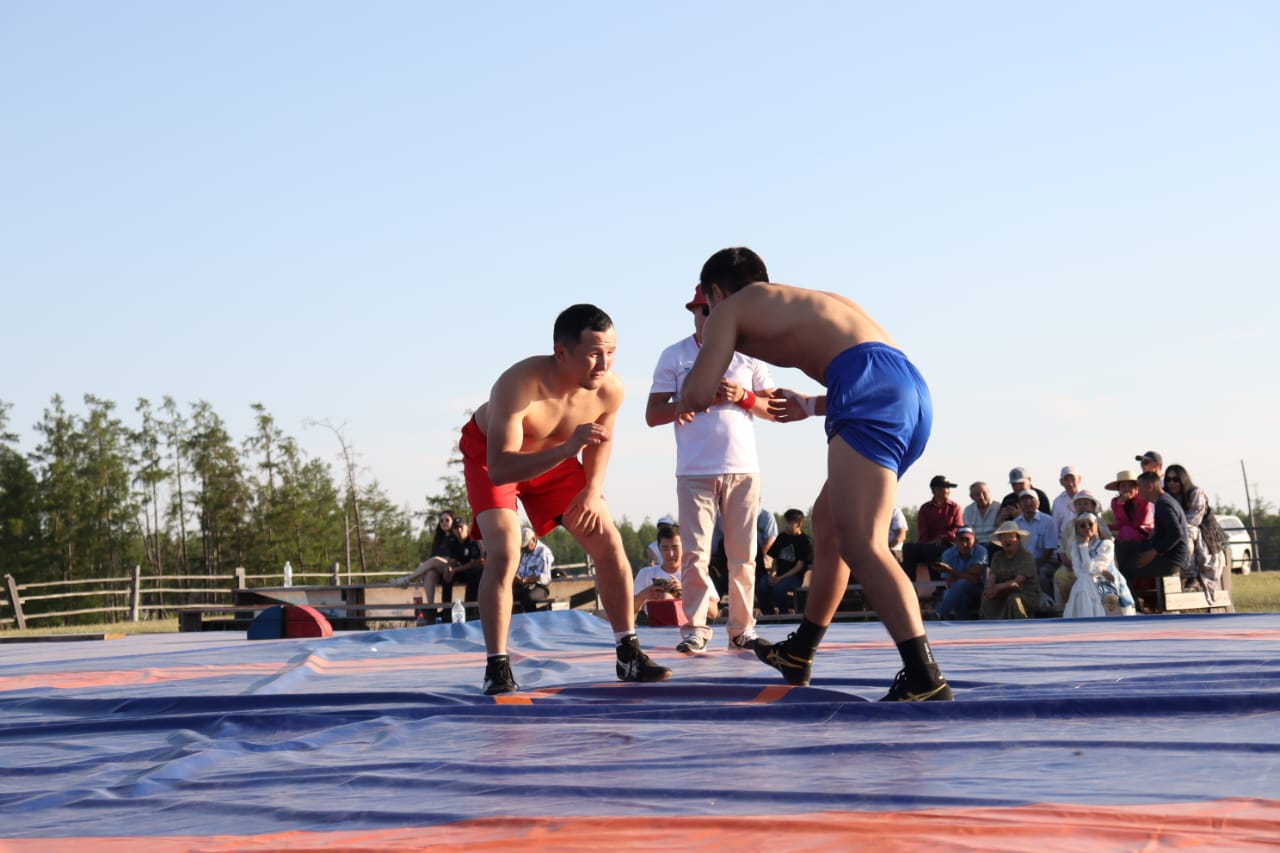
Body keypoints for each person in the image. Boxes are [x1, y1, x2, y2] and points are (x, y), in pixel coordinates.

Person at [677, 246, 952, 701]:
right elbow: (870, 366)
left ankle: (925, 676)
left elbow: (696, 395)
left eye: (703, 309)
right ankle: (801, 650)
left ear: (717, 293)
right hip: (903, 390)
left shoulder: (730, 310)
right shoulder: (815, 299)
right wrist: (811, 405)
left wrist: (693, 370)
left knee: (864, 544)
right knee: (828, 525)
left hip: (869, 392)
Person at [460, 303, 669, 695]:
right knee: (505, 551)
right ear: (562, 353)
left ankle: (629, 652)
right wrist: (567, 448)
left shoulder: (611, 388)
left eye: (611, 353)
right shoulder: (519, 385)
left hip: (557, 459)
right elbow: (503, 468)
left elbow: (599, 444)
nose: (603, 363)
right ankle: (497, 665)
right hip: (495, 458)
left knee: (609, 542)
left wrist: (591, 491)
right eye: (593, 354)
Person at [647, 286, 778, 655]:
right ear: (693, 313)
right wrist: (684, 404)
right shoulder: (675, 355)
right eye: (702, 311)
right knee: (695, 553)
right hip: (694, 470)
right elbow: (652, 413)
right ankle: (696, 627)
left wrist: (743, 397)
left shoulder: (749, 356)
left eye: (714, 310)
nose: (707, 317)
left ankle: (741, 629)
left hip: (743, 468)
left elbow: (774, 408)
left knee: (743, 555)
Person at [1119, 471, 1193, 595]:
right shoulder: (1163, 501)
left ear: (1150, 487)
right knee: (1123, 547)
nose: (1138, 491)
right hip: (1167, 554)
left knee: (1124, 569)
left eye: (1140, 487)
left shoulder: (1164, 505)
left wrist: (1153, 552)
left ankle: (1133, 608)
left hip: (1172, 560)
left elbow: (1176, 533)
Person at [1164, 464, 1228, 593]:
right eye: (1168, 480)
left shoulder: (1195, 493)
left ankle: (1191, 575)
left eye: (1175, 479)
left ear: (1183, 479)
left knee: (1186, 532)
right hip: (1180, 531)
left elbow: (1194, 519)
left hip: (1204, 533)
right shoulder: (1166, 497)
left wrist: (1173, 529)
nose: (1171, 483)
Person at [633, 526, 720, 620]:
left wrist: (687, 592)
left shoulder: (697, 574)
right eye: (665, 548)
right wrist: (644, 594)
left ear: (684, 547)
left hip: (690, 629)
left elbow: (713, 612)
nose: (670, 554)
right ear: (659, 548)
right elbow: (629, 609)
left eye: (675, 548)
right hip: (654, 629)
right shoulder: (645, 574)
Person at [1062, 513, 1136, 618]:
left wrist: (1084, 548)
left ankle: (1092, 615)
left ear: (1097, 526)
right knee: (1083, 579)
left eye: (1090, 524)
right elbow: (1078, 571)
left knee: (1087, 582)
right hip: (1087, 581)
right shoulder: (1075, 546)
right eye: (1082, 525)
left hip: (1105, 582)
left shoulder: (1106, 544)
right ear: (1077, 529)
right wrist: (1083, 546)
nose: (1087, 527)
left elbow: (1094, 569)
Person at [902, 475, 963, 589]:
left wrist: (941, 538)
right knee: (908, 548)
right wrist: (926, 542)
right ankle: (909, 587)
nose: (948, 491)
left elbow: (957, 529)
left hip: (947, 545)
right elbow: (922, 530)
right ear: (936, 489)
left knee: (931, 550)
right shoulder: (925, 508)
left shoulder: (955, 508)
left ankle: (938, 588)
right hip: (928, 544)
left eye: (949, 488)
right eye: (946, 487)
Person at [396, 511, 460, 606]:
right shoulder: (439, 539)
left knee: (435, 560)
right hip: (439, 569)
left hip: (454, 568)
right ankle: (430, 607)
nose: (444, 523)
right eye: (441, 520)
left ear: (453, 521)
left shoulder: (457, 536)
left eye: (447, 520)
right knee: (430, 573)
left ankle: (407, 580)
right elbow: (432, 558)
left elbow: (456, 557)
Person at [980, 521, 1040, 620]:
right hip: (1002, 593)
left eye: (1011, 536)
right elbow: (992, 577)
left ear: (1018, 540)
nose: (1007, 540)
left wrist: (997, 587)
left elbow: (1018, 581)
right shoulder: (997, 556)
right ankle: (988, 628)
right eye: (1003, 537)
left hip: (1026, 594)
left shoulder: (1027, 556)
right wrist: (990, 588)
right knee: (987, 598)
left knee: (1013, 599)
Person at [761, 509, 813, 615]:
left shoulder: (805, 541)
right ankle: (769, 615)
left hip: (796, 577)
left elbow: (799, 566)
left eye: (789, 523)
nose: (786, 525)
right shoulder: (782, 537)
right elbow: (775, 560)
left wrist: (780, 578)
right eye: (786, 522)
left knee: (779, 589)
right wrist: (773, 573)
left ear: (799, 524)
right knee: (762, 585)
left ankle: (784, 614)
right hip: (779, 575)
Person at [933, 527, 989, 620]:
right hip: (957, 590)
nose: (964, 544)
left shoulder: (981, 551)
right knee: (959, 594)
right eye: (961, 540)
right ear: (955, 541)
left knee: (961, 584)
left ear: (975, 541)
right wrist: (968, 574)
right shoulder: (948, 554)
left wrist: (950, 570)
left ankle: (939, 614)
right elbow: (950, 582)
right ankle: (961, 624)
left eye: (967, 540)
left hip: (978, 591)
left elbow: (975, 579)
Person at [1012, 489, 1059, 602]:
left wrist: (1036, 565)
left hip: (1046, 562)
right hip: (1024, 562)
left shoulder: (1048, 521)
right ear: (1019, 504)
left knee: (1040, 573)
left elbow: (1050, 548)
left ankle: (1048, 603)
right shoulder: (1016, 523)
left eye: (1031, 499)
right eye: (1024, 500)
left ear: (1038, 503)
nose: (1028, 502)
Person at [442, 517, 485, 621]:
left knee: (473, 574)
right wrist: (449, 569)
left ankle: (470, 609)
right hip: (462, 570)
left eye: (461, 527)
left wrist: (455, 570)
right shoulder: (454, 542)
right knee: (447, 577)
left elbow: (474, 563)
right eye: (456, 528)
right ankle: (446, 609)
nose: (459, 530)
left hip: (476, 571)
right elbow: (452, 560)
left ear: (466, 527)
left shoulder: (474, 541)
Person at [513, 527, 554, 613]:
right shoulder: (524, 553)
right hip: (524, 585)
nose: (524, 549)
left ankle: (531, 618)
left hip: (540, 587)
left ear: (533, 540)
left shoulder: (543, 552)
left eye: (526, 546)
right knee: (508, 594)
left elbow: (545, 577)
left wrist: (524, 580)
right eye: (522, 547)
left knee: (527, 597)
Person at [1105, 470, 1154, 542]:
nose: (1127, 489)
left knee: (1125, 531)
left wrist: (1121, 506)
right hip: (1127, 535)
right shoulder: (1115, 502)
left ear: (1136, 488)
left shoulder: (1143, 500)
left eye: (1130, 485)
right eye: (1123, 486)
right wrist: (1104, 526)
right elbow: (1120, 524)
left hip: (1146, 535)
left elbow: (1138, 524)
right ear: (1119, 489)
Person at [962, 482, 1001, 548]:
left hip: (994, 544)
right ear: (972, 497)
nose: (981, 497)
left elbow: (1001, 530)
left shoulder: (999, 507)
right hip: (975, 545)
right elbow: (968, 532)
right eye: (977, 494)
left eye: (984, 493)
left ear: (989, 492)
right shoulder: (968, 510)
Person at [1050, 466, 1085, 539]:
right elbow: (1054, 528)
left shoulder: (1088, 498)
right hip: (1064, 545)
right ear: (1061, 482)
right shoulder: (1058, 502)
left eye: (1073, 479)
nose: (1070, 483)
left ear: (1079, 479)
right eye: (1066, 479)